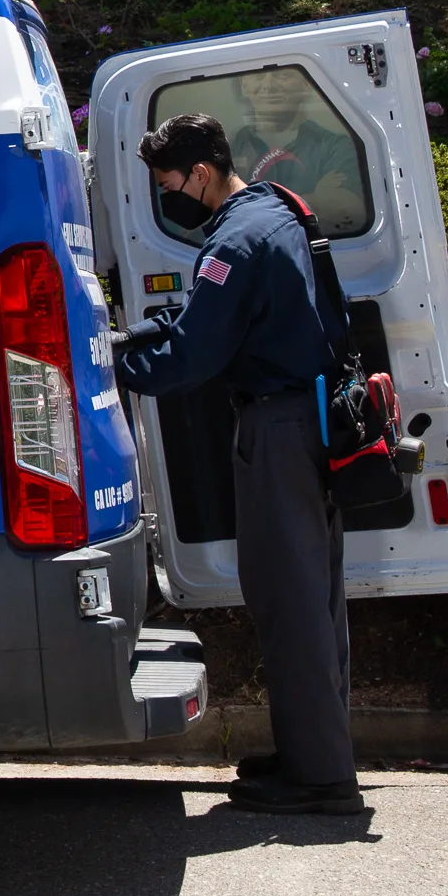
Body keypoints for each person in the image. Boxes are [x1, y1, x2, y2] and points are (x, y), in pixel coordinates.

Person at [115, 109, 362, 816]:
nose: (171, 197)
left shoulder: (234, 243)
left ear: (199, 172)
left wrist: (115, 363)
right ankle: (316, 755)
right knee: (315, 599)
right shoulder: (278, 210)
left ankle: (319, 781)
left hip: (278, 429)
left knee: (289, 603)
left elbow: (192, 356)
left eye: (170, 183)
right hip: (312, 419)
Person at [229, 67, 365, 227]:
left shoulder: (335, 147)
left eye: (283, 75)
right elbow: (218, 211)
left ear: (306, 85)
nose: (268, 86)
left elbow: (347, 208)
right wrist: (315, 200)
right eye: (257, 77)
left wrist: (249, 209)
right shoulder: (229, 150)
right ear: (243, 86)